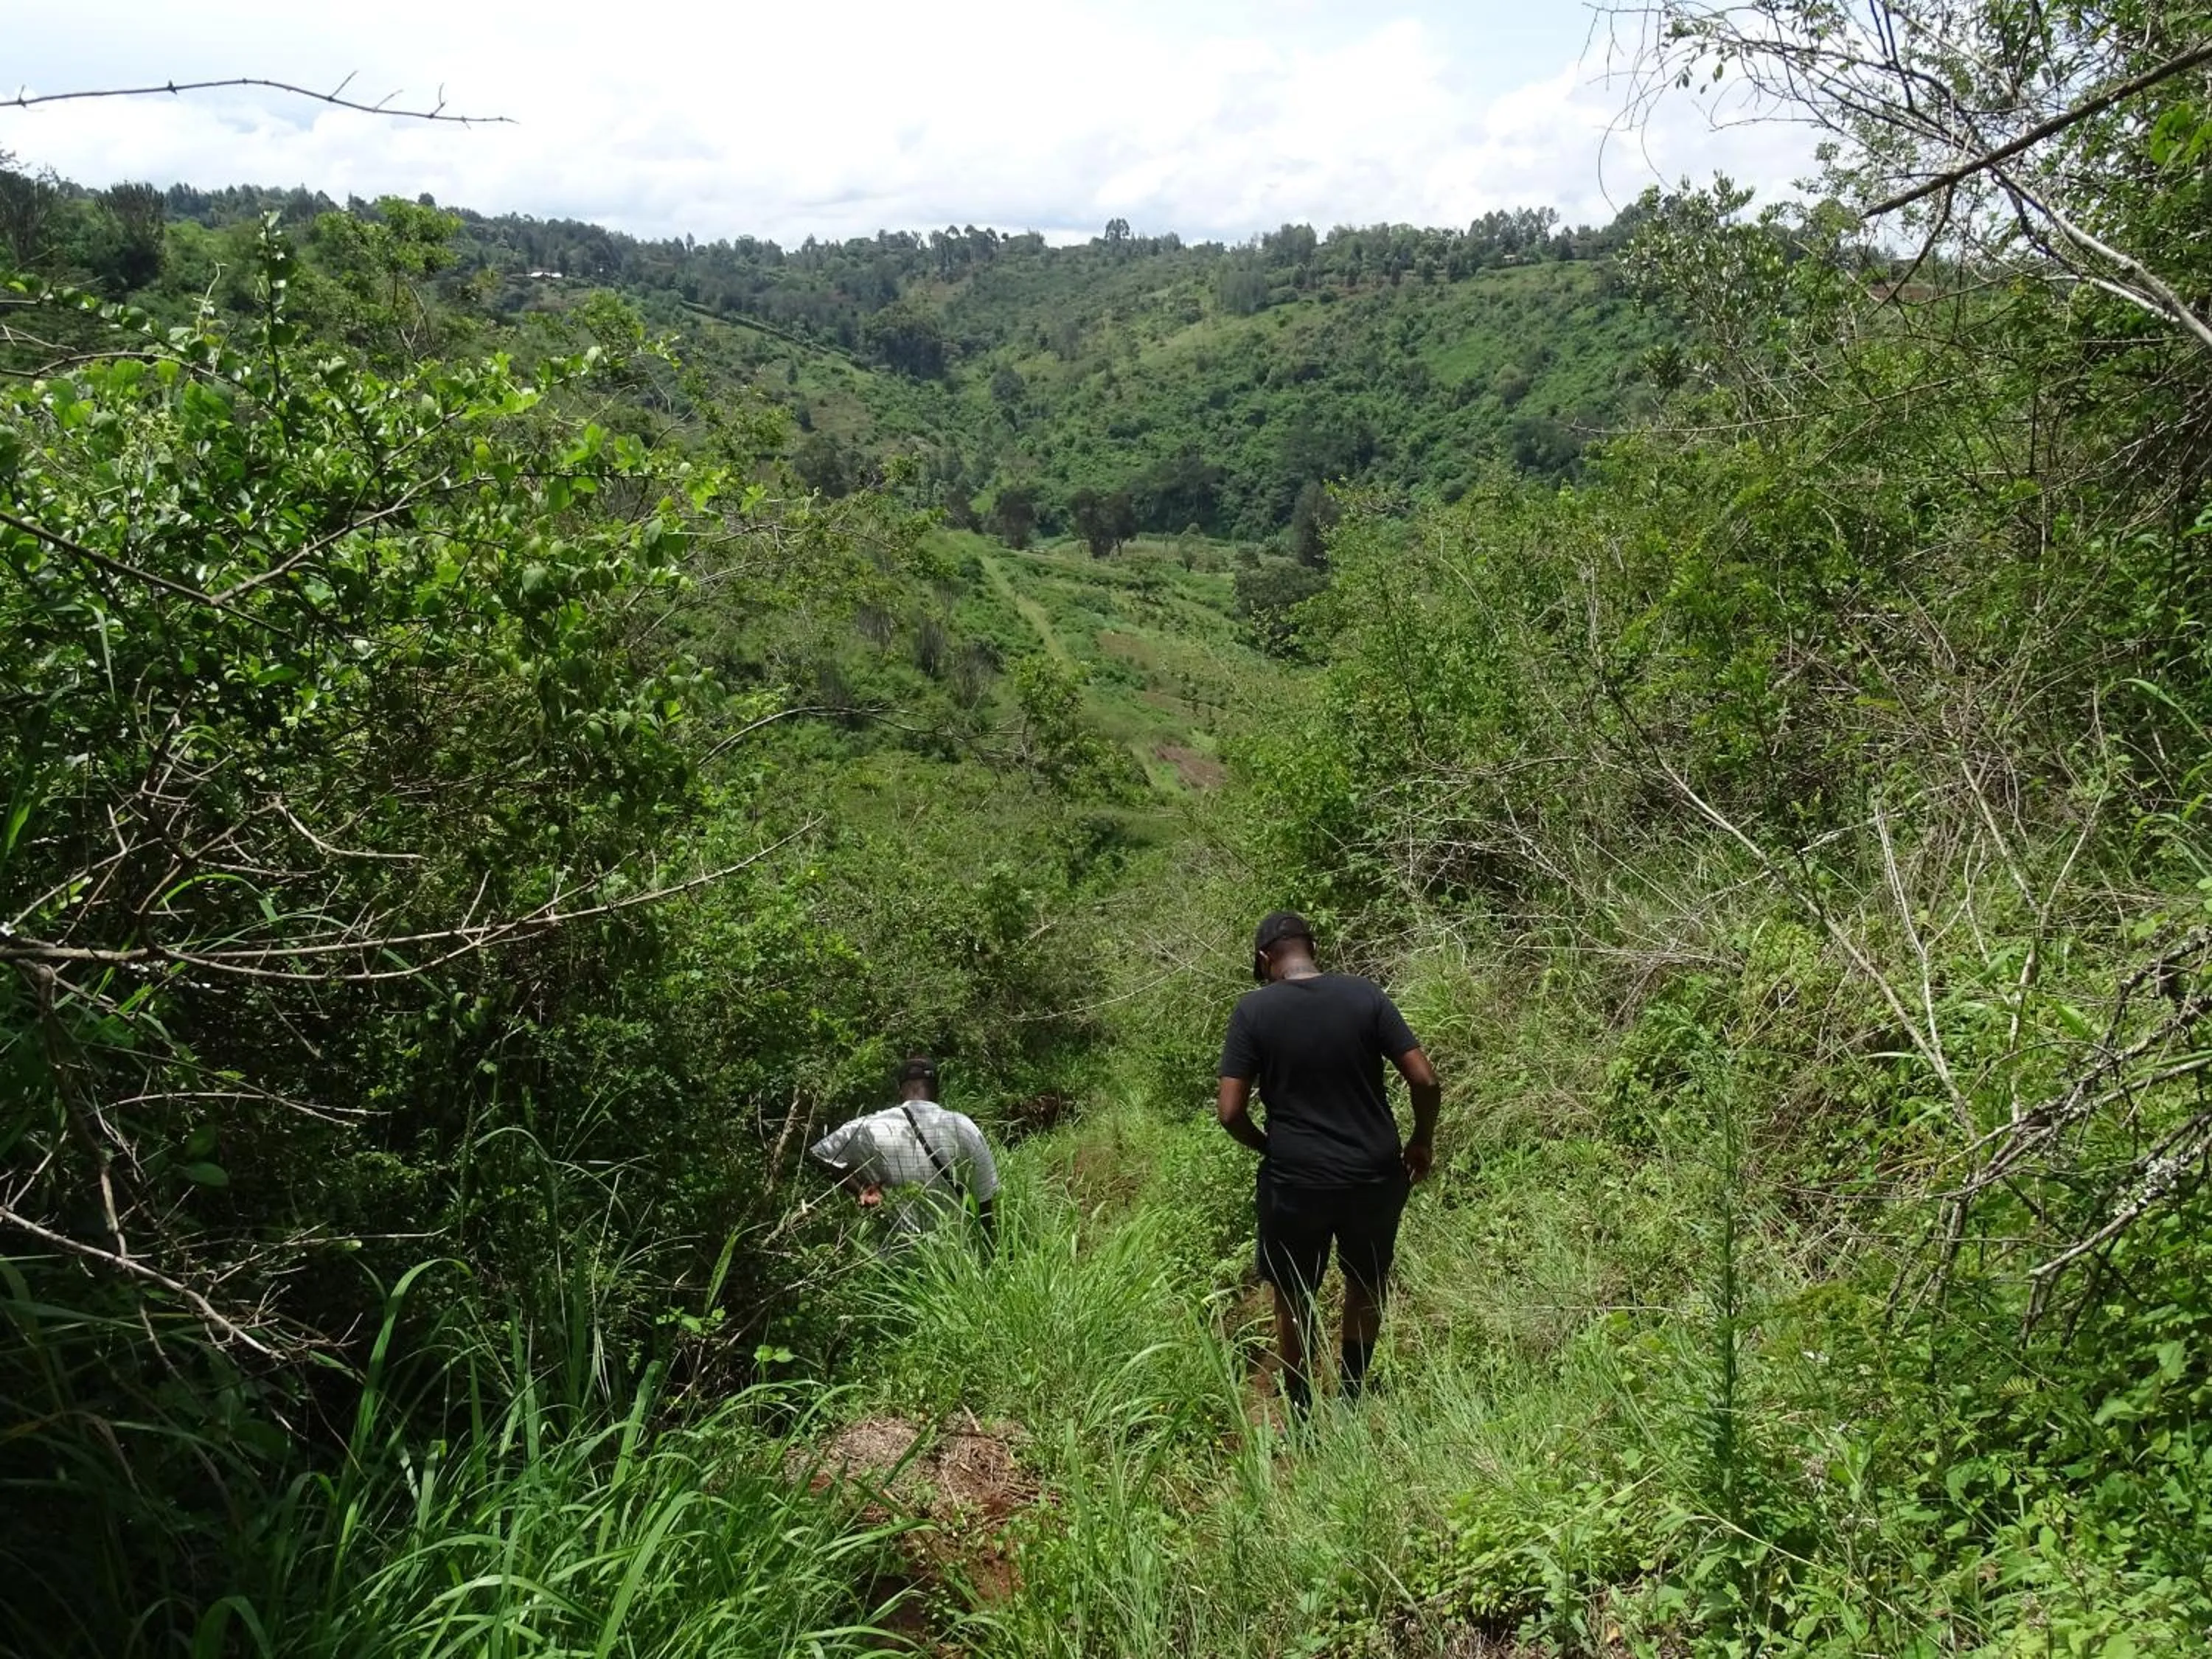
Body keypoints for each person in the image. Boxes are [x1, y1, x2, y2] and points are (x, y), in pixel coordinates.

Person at [1217, 911, 1440, 1413]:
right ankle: (1353, 1397)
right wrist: (1420, 1141)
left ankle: (1300, 1410)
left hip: (1297, 1181)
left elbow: (1230, 1113)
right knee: (1366, 1283)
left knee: (1293, 1295)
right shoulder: (1365, 995)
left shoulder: (1253, 1011)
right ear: (1310, 949)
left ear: (1263, 959)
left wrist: (1269, 1146)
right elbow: (1424, 1080)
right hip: (1375, 1174)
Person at [810, 1054, 998, 1252]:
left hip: (898, 1270)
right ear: (937, 1090)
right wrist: (986, 1254)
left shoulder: (870, 1127)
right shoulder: (963, 1127)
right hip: (958, 1262)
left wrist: (860, 1189)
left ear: (900, 1091)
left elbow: (818, 1154)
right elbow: (985, 1199)